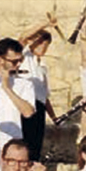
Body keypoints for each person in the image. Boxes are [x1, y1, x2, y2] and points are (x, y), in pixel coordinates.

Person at [17, 18, 57, 160]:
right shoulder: (23, 56)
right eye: (40, 43)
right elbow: (22, 37)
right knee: (24, 142)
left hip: (39, 108)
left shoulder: (43, 68)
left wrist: (54, 117)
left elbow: (44, 97)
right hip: (25, 104)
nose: (43, 47)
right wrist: (45, 24)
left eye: (46, 44)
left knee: (36, 145)